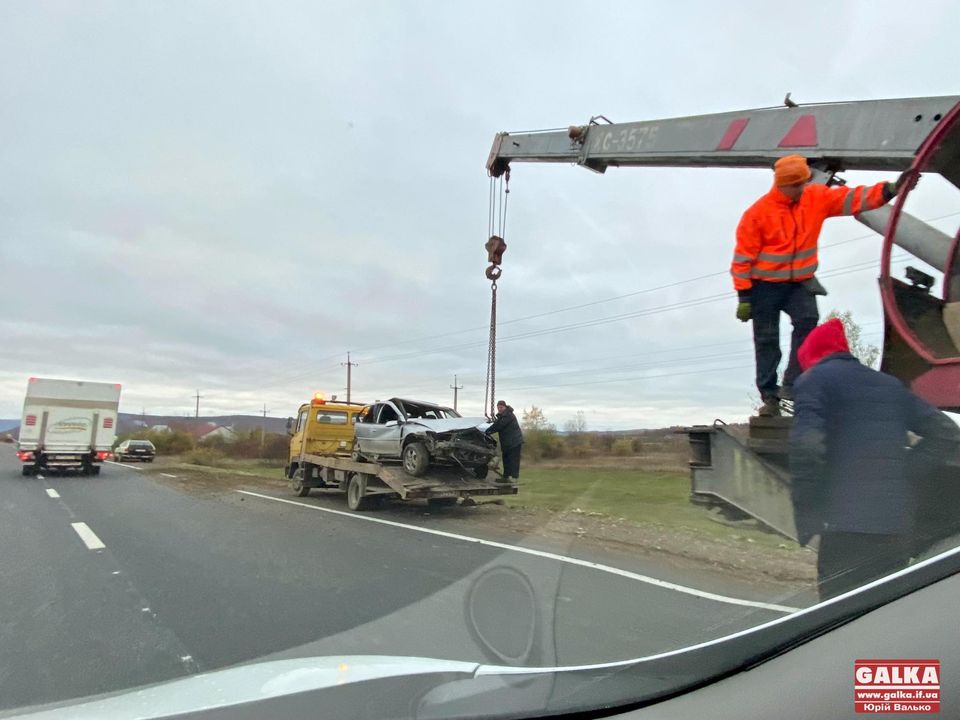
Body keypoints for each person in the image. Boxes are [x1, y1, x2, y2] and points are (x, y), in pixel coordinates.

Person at [789, 318, 958, 601]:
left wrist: (809, 510)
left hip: (845, 528)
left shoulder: (813, 381)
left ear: (810, 356)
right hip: (896, 529)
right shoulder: (890, 385)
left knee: (836, 620)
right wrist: (905, 470)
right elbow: (946, 433)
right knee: (883, 615)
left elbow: (807, 447)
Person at [732, 155, 911, 417]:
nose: (802, 189)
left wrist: (889, 189)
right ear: (782, 185)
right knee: (767, 340)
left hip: (799, 282)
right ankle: (769, 396)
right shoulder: (757, 214)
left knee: (807, 321)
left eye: (804, 184)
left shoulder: (815, 198)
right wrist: (744, 296)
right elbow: (742, 259)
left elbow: (852, 199)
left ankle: (792, 385)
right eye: (796, 186)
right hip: (764, 286)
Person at [485, 400, 523, 483]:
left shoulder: (509, 415)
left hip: (514, 442)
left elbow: (499, 426)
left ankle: (513, 478)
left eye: (501, 407)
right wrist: (486, 431)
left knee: (513, 460)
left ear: (505, 407)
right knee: (506, 460)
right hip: (507, 443)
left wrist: (488, 432)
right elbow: (495, 425)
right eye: (498, 408)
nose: (500, 409)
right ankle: (506, 477)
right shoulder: (502, 416)